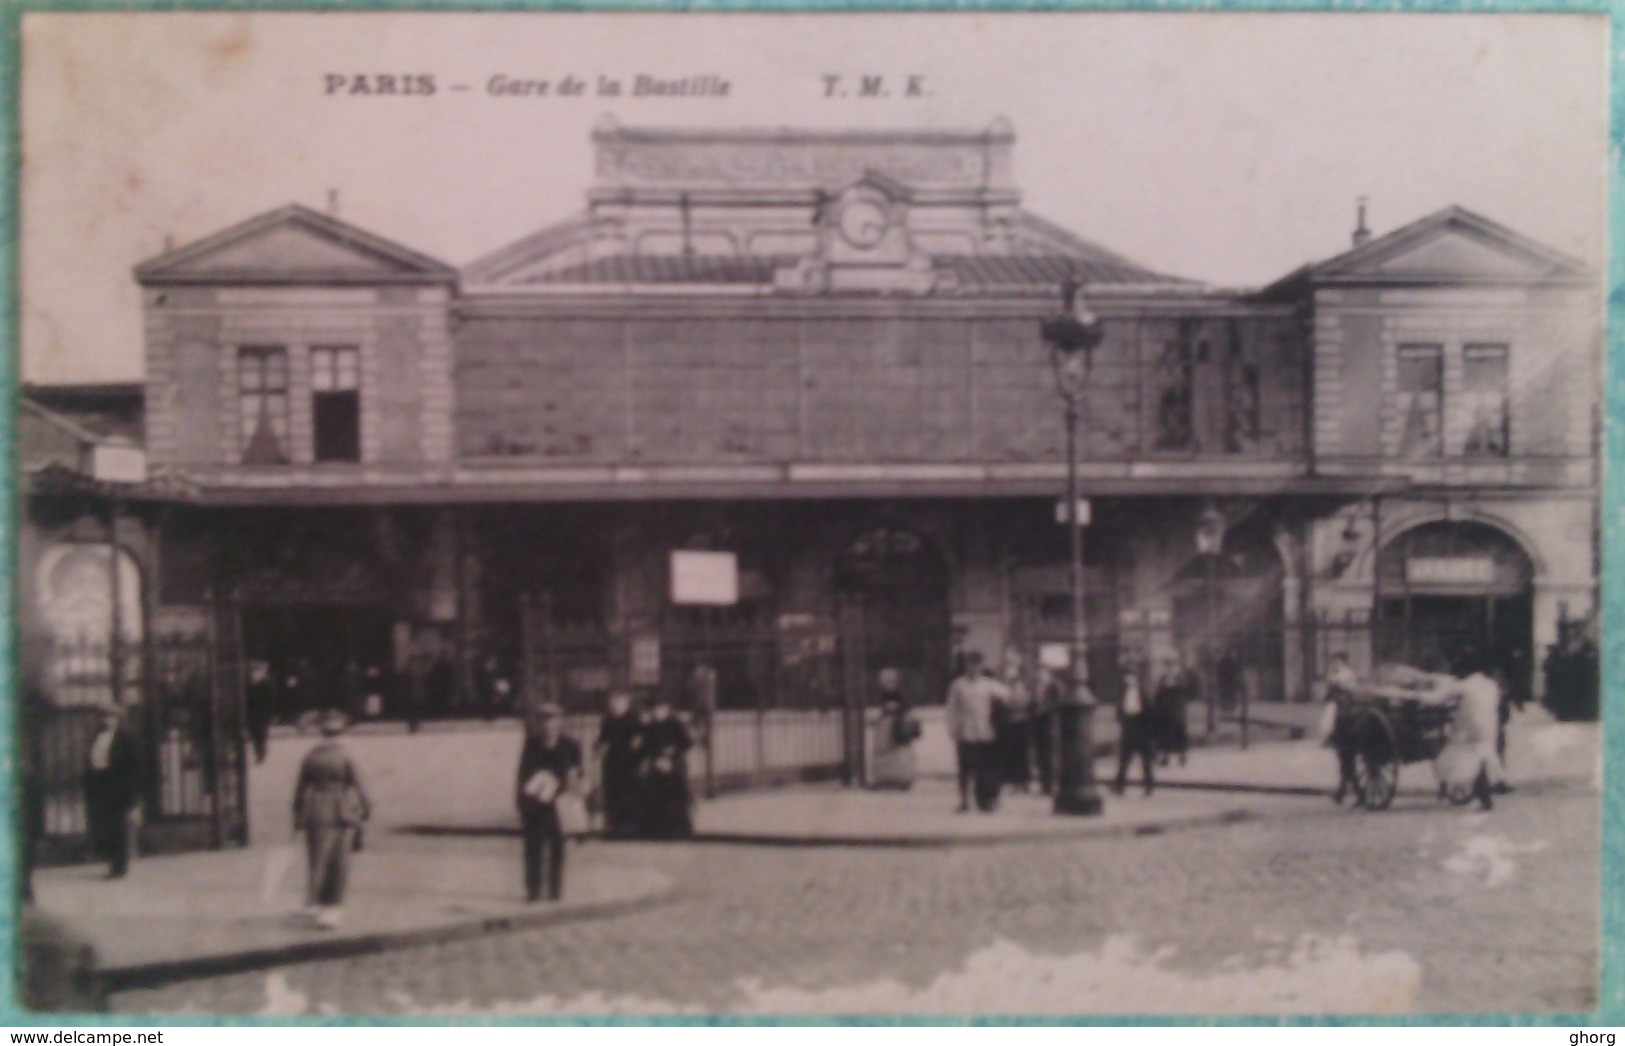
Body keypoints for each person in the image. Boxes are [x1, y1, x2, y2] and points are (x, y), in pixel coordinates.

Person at [293, 709, 370, 928]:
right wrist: (366, 809)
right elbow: (359, 784)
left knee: (317, 857)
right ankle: (334, 905)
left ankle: (315, 900)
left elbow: (299, 790)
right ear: (341, 733)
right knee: (339, 860)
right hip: (342, 809)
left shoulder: (311, 757)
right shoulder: (346, 756)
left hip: (315, 809)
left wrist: (298, 815)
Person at [515, 703, 583, 901]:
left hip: (559, 804)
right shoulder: (533, 744)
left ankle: (555, 890)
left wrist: (575, 791)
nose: (549, 725)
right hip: (536, 803)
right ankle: (533, 891)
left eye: (553, 720)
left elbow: (577, 773)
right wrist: (523, 802)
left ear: (560, 722)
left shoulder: (570, 745)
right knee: (533, 848)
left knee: (557, 849)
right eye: (544, 721)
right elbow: (523, 774)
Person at [83, 705, 141, 879]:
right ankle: (111, 861)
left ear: (119, 719)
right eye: (105, 717)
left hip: (117, 786)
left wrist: (131, 795)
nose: (108, 720)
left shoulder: (126, 739)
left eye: (112, 717)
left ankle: (119, 866)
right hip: (99, 785)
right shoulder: (96, 737)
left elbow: (133, 767)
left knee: (118, 827)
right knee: (104, 824)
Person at [946, 651, 1007, 813]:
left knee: (983, 768)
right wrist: (952, 729)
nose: (973, 668)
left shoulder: (988, 685)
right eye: (970, 664)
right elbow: (952, 708)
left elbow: (1007, 695)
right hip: (965, 731)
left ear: (981, 667)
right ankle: (964, 800)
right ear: (965, 665)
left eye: (976, 665)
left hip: (984, 731)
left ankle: (984, 800)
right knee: (965, 768)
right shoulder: (958, 685)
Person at [638, 696, 695, 838]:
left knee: (675, 795)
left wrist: (672, 753)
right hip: (656, 765)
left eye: (660, 709)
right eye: (655, 710)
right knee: (654, 793)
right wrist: (655, 760)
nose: (657, 713)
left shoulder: (675, 724)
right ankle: (657, 829)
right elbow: (645, 747)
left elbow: (687, 743)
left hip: (674, 765)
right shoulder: (649, 727)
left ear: (667, 710)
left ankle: (679, 829)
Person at [594, 691, 643, 836]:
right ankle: (613, 824)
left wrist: (635, 753)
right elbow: (603, 739)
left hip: (628, 761)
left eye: (620, 703)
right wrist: (598, 748)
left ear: (626, 704)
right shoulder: (607, 720)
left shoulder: (633, 719)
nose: (616, 706)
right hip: (612, 761)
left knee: (629, 791)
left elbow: (638, 739)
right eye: (613, 703)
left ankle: (630, 824)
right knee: (612, 792)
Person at [869, 668, 920, 790]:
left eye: (890, 681)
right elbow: (882, 709)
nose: (887, 684)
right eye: (885, 681)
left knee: (900, 753)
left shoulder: (900, 693)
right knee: (885, 753)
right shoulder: (882, 694)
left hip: (897, 727)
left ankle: (902, 778)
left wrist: (894, 708)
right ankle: (885, 778)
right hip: (887, 727)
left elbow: (906, 707)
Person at [1323, 653, 1362, 805]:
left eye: (1337, 661)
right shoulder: (1339, 674)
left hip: (1346, 713)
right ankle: (1344, 792)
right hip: (1344, 710)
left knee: (1346, 758)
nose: (1335, 664)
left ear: (1342, 661)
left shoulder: (1345, 674)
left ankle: (1347, 792)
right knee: (1346, 759)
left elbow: (1348, 688)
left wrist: (1335, 683)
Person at [1112, 671, 1156, 796]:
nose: (1128, 680)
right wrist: (1121, 720)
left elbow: (1150, 710)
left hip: (1141, 728)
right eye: (1126, 677)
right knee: (1124, 760)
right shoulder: (1123, 692)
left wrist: (1148, 729)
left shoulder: (1143, 692)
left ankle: (1149, 786)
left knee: (1145, 761)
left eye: (1131, 677)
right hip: (1128, 728)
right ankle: (1119, 786)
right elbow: (1120, 709)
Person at [997, 656, 1034, 791]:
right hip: (1008, 722)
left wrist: (1010, 704)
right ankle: (1012, 780)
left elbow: (1023, 701)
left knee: (1021, 753)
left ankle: (1023, 781)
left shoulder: (1021, 684)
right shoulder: (1003, 685)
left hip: (1021, 722)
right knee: (1009, 752)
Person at [1152, 655, 1192, 768]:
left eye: (1172, 665)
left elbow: (1186, 691)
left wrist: (1174, 686)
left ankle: (1182, 755)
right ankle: (1165, 756)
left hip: (1177, 710)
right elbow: (1158, 695)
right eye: (1167, 666)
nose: (1169, 668)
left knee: (1179, 733)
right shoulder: (1163, 679)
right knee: (1165, 734)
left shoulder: (1180, 678)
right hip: (1165, 711)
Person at [1032, 667, 1061, 795]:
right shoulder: (1036, 688)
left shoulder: (1054, 687)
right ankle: (1045, 785)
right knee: (1041, 755)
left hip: (1049, 724)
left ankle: (1051, 784)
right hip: (1038, 724)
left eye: (1043, 673)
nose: (1040, 676)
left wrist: (1044, 709)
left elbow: (1057, 704)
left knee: (1050, 754)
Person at [245, 659, 276, 765]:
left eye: (256, 671)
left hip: (262, 714)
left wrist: (269, 714)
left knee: (261, 735)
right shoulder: (249, 685)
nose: (254, 674)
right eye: (253, 672)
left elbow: (270, 700)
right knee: (254, 735)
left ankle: (261, 754)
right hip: (252, 714)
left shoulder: (265, 684)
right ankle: (258, 753)